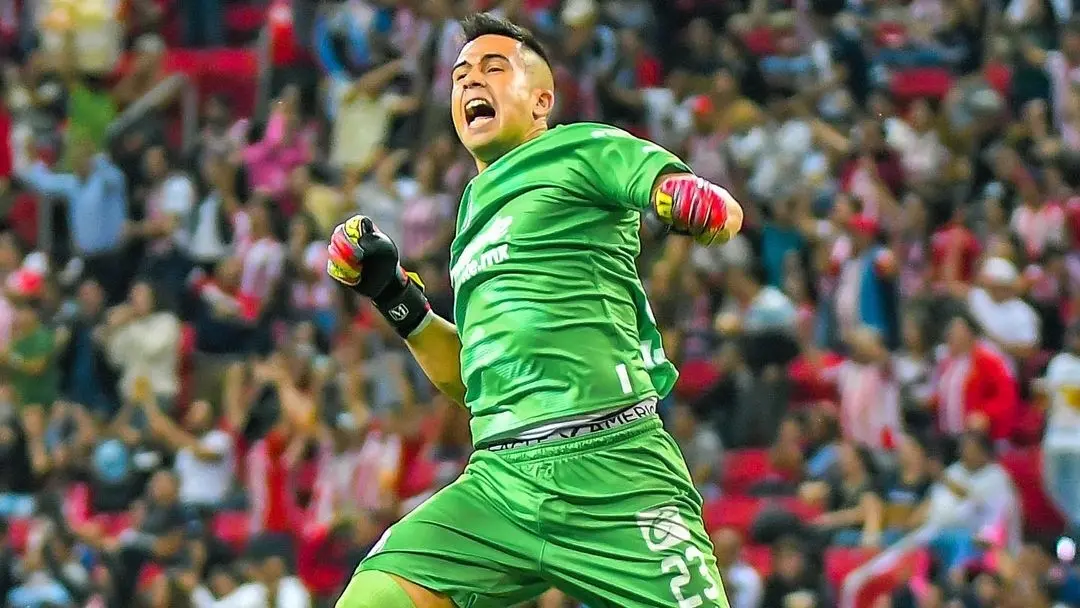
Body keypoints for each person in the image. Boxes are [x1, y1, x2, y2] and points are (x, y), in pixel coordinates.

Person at [328, 13, 744, 608]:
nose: (471, 81)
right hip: (499, 483)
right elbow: (470, 383)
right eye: (460, 75)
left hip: (613, 468)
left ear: (542, 100)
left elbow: (691, 195)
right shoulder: (470, 220)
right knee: (373, 597)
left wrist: (691, 200)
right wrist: (394, 297)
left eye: (493, 68)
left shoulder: (581, 148)